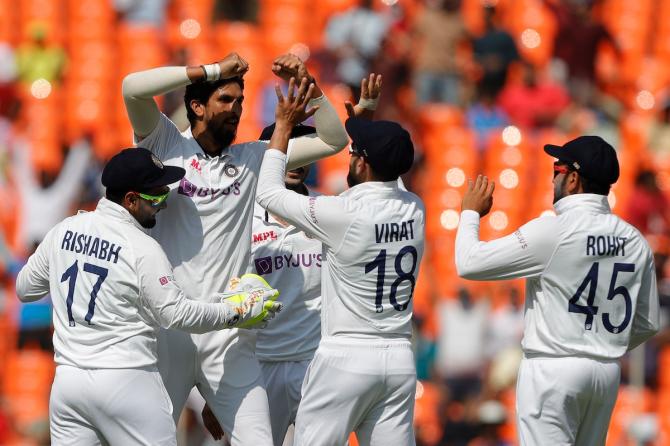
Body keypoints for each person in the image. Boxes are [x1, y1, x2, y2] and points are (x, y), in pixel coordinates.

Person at [121, 52, 349, 444]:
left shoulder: (252, 158)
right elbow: (132, 89)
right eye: (225, 100)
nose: (236, 109)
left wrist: (309, 85)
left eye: (240, 101)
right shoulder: (165, 146)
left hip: (228, 331)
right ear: (196, 106)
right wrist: (212, 71)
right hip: (170, 326)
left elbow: (334, 139)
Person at [14, 147, 281, 445]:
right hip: (127, 382)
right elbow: (178, 316)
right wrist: (240, 310)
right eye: (157, 196)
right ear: (130, 199)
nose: (164, 205)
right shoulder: (141, 248)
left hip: (68, 385)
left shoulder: (64, 230)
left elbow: (25, 289)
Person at [201, 74, 383, 446]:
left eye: (305, 151)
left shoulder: (326, 212)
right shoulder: (241, 217)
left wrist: (363, 120)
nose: (297, 161)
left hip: (317, 364)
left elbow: (370, 184)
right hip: (257, 365)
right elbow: (220, 289)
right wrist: (214, 384)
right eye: (288, 150)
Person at [455, 136, 660, 445]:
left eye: (557, 169)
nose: (553, 178)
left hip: (553, 369)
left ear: (574, 178)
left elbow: (469, 263)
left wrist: (469, 214)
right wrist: (601, 344)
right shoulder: (635, 240)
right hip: (605, 372)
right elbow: (647, 324)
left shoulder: (553, 229)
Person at [256, 76, 425, 445]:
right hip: (398, 360)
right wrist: (368, 121)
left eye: (355, 153)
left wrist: (284, 125)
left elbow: (268, 191)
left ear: (363, 164)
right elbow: (387, 176)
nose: (350, 156)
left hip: (345, 356)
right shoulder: (415, 209)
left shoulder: (342, 214)